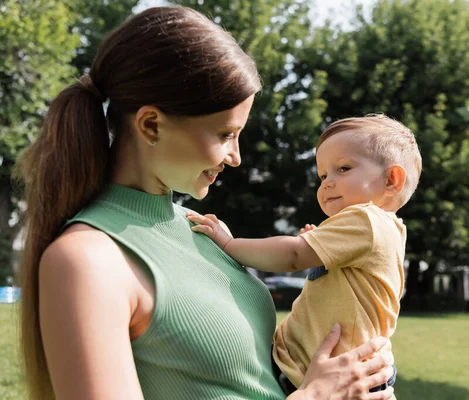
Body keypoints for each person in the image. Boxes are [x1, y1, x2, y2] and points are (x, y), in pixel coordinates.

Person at [15, 7, 395, 400]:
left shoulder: (201, 229)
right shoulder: (87, 260)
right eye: (225, 134)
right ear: (151, 125)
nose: (236, 157)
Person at [188, 114, 422, 395]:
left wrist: (228, 244)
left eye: (343, 168)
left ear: (392, 179)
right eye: (323, 175)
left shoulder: (367, 220)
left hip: (337, 381)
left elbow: (293, 256)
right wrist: (319, 243)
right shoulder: (384, 230)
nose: (327, 183)